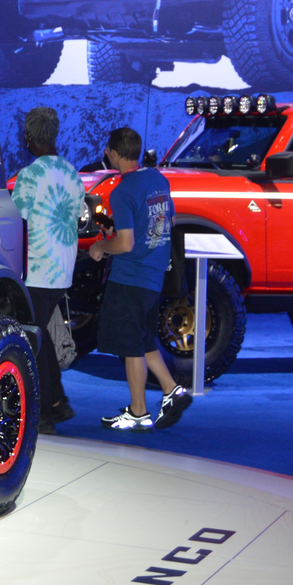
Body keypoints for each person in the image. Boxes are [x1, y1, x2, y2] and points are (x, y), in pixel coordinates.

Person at [88, 127, 189, 432]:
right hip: (154, 275)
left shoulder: (122, 191)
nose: (106, 155)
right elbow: (167, 221)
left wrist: (100, 247)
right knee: (145, 341)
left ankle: (138, 412)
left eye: (108, 151)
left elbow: (126, 244)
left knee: (131, 346)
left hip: (130, 278)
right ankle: (173, 391)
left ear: (115, 153)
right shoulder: (158, 179)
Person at [8, 107, 84, 432]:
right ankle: (58, 403)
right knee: (43, 336)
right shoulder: (72, 172)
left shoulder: (30, 175)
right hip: (63, 269)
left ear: (28, 137)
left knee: (34, 340)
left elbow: (15, 219)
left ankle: (45, 415)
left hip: (36, 270)